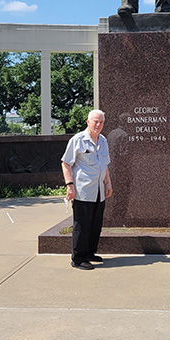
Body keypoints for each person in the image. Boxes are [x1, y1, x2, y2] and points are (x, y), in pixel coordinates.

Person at [61, 109, 113, 270]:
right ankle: (78, 258)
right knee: (82, 225)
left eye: (101, 122)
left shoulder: (103, 140)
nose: (98, 125)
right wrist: (70, 185)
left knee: (95, 224)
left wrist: (108, 183)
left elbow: (105, 165)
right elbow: (66, 163)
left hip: (99, 190)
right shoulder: (78, 140)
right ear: (88, 122)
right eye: (95, 121)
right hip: (83, 190)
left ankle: (90, 252)